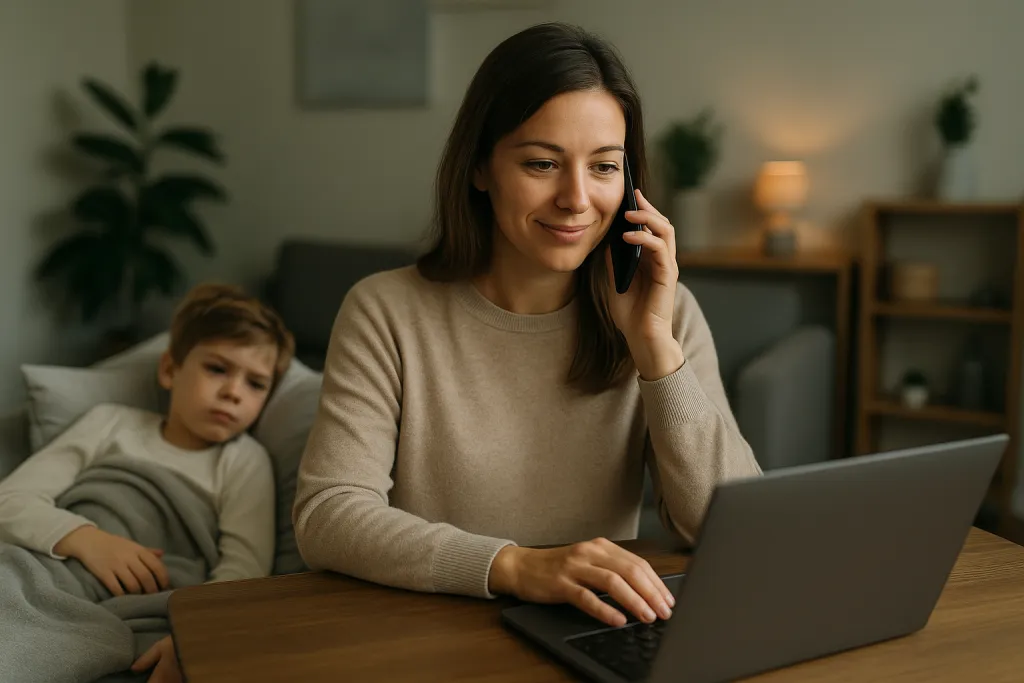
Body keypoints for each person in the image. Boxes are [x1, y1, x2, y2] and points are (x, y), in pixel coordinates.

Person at [293, 22, 761, 629]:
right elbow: (328, 516)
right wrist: (514, 567)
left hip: (595, 633)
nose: (576, 198)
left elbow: (729, 527)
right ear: (480, 168)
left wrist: (655, 353)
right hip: (428, 632)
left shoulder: (665, 317)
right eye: (542, 163)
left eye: (604, 167)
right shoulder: (385, 312)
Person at [0, 283, 294, 683]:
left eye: (255, 384)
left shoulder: (244, 461)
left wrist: (195, 636)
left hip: (143, 603)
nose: (232, 393)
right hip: (45, 569)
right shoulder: (110, 422)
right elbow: (11, 498)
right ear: (170, 370)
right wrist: (88, 540)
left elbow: (243, 571)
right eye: (218, 369)